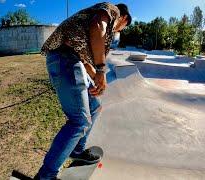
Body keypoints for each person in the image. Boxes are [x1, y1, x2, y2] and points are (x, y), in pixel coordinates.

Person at [34, 2, 132, 179]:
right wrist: (101, 70)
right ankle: (46, 176)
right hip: (65, 59)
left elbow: (85, 60)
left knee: (95, 107)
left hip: (73, 60)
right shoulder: (112, 11)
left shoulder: (92, 29)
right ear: (124, 18)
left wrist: (96, 78)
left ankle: (78, 150)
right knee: (79, 121)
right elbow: (97, 28)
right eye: (122, 28)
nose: (119, 31)